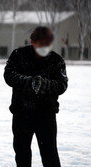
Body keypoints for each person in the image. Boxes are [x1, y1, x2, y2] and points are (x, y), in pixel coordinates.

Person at [4, 26, 68, 167]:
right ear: (32, 42)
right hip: (22, 113)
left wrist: (45, 84)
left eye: (48, 44)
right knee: (22, 153)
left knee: (49, 153)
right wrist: (28, 81)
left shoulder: (57, 60)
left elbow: (62, 85)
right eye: (41, 43)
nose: (45, 47)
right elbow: (8, 76)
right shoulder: (18, 55)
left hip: (46, 115)